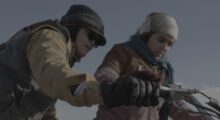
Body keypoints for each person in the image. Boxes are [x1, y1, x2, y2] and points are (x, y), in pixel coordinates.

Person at [0, 4, 158, 120]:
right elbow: (55, 74)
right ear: (73, 26)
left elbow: (47, 97)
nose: (93, 44)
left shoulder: (61, 59)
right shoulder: (50, 36)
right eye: (91, 36)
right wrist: (108, 90)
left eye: (96, 43)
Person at [94, 12, 204, 120]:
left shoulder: (163, 69)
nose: (165, 47)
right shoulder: (125, 51)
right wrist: (117, 86)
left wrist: (200, 117)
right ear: (147, 35)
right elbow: (106, 72)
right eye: (161, 40)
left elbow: (175, 103)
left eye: (169, 44)